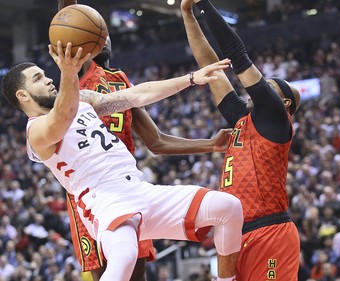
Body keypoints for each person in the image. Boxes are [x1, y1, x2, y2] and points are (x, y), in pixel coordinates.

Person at [2, 41, 243, 281]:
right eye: (38, 78)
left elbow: (137, 95)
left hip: (138, 188)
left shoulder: (83, 99)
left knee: (228, 208)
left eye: (45, 75)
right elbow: (63, 116)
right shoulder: (36, 132)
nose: (48, 80)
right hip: (104, 201)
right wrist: (68, 73)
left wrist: (191, 78)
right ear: (22, 95)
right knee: (124, 258)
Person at [56, 2, 232, 280]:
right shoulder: (75, 77)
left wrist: (210, 144)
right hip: (91, 193)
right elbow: (65, 27)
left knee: (128, 273)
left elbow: (156, 141)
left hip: (123, 189)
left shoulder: (119, 80)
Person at [180, 0, 301, 280]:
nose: (257, 85)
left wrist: (203, 5)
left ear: (282, 101)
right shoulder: (240, 119)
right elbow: (210, 68)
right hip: (235, 236)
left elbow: (237, 54)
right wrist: (187, 14)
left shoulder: (275, 117)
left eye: (267, 85)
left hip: (269, 233)